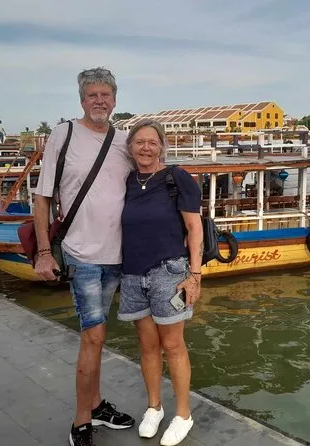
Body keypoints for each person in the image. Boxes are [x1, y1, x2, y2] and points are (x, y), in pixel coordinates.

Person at [33, 67, 135, 446]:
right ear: (81, 100)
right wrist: (45, 252)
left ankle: (96, 404)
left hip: (118, 256)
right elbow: (43, 197)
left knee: (99, 335)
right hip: (82, 255)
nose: (99, 101)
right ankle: (81, 420)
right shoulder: (63, 135)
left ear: (115, 100)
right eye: (92, 94)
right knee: (93, 336)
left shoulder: (124, 141)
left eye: (105, 95)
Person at [118, 119, 203, 446]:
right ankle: (154, 407)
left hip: (169, 272)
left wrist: (195, 275)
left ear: (162, 147)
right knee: (147, 345)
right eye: (139, 142)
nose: (146, 148)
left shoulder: (176, 178)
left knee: (173, 345)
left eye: (152, 142)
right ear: (130, 147)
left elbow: (194, 228)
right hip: (132, 273)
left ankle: (183, 414)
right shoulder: (127, 181)